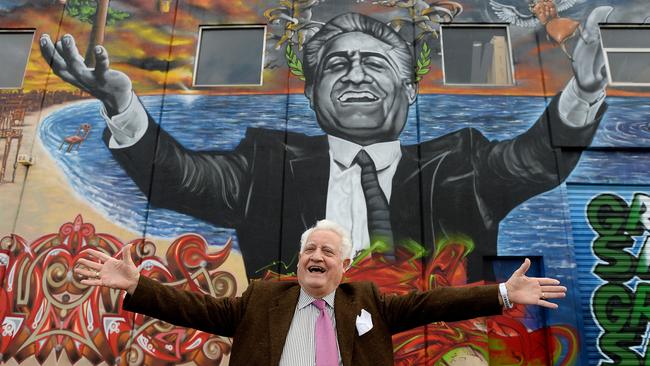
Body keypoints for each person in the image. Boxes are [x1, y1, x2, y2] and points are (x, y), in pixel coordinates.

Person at [41, 7, 612, 281]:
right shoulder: (265, 165)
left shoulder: (461, 165)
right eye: (338, 65)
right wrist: (121, 104)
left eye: (374, 63)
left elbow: (536, 160)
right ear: (313, 96)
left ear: (409, 91)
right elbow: (176, 176)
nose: (356, 74)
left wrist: (583, 92)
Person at [74, 219, 567, 366]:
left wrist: (502, 292)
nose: (316, 255)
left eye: (327, 251)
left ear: (344, 266)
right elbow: (199, 308)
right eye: (309, 247)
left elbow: (432, 304)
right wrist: (139, 285)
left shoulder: (366, 302)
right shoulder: (265, 297)